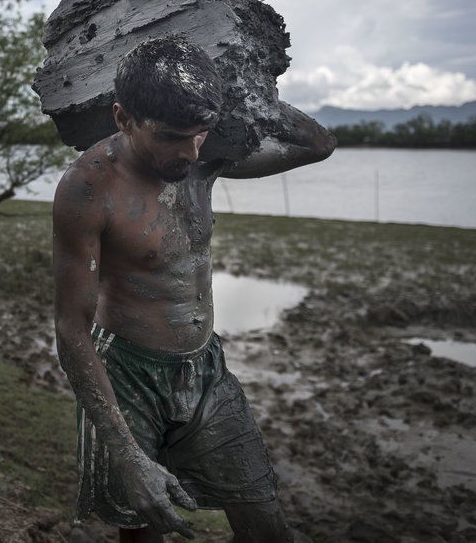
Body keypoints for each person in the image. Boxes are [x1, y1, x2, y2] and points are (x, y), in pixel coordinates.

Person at [52, 35, 334, 542]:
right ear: (123, 118)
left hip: (204, 367)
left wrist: (247, 88)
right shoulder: (89, 187)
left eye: (200, 133)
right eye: (171, 137)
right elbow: (71, 327)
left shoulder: (203, 160)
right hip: (126, 374)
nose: (188, 150)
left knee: (267, 525)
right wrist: (126, 453)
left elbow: (317, 145)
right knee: (144, 526)